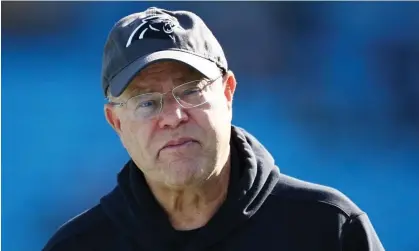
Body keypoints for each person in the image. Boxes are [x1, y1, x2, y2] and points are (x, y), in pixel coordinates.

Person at [43, 7, 385, 251]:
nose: (173, 116)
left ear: (227, 93)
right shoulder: (78, 245)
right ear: (116, 122)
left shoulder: (328, 228)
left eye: (190, 91)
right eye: (147, 102)